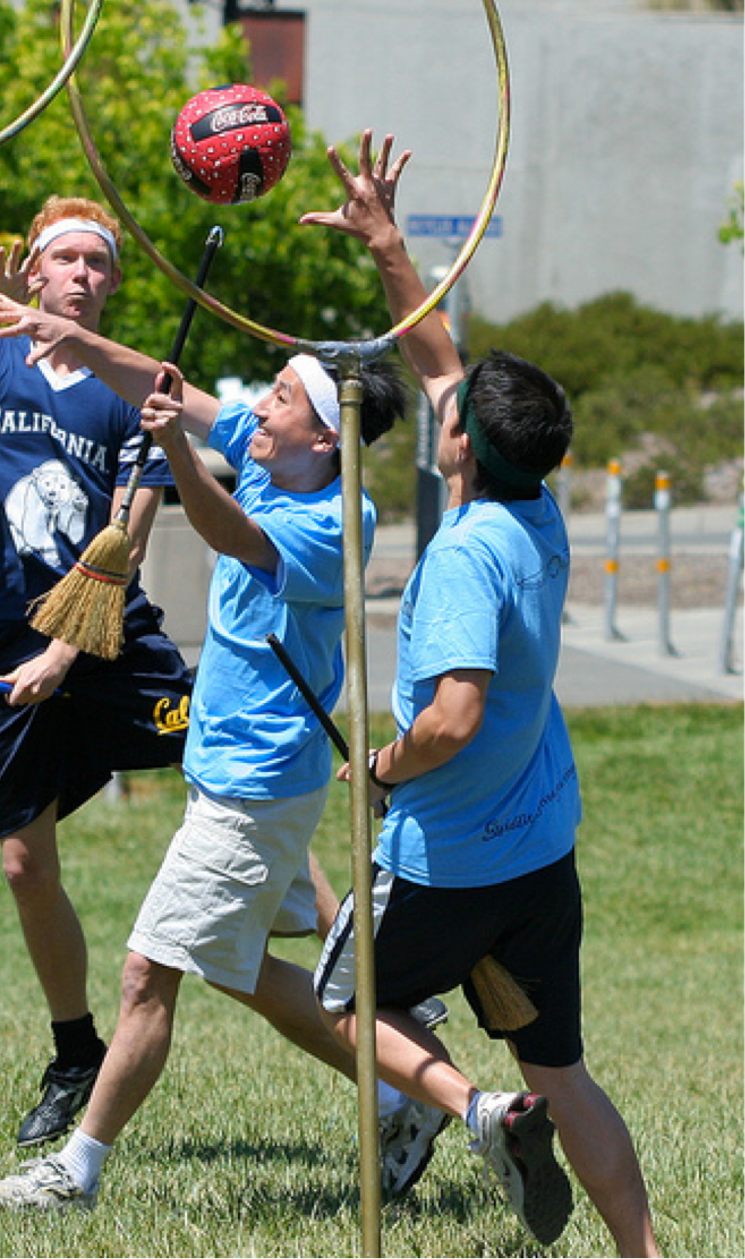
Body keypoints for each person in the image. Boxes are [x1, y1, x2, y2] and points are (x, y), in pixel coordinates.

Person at [0, 213, 457, 1214]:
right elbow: (173, 389)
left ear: (324, 433)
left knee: (149, 969)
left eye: (278, 394)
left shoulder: (333, 513)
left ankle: (78, 1169)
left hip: (251, 783)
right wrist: (72, 340)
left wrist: (172, 461)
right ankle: (424, 1074)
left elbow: (233, 535)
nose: (256, 403)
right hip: (234, 772)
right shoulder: (285, 449)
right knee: (247, 971)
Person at [301, 132, 662, 1256]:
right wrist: (387, 246)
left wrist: (382, 765)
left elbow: (451, 716)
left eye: (449, 406)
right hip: (539, 852)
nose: (437, 398)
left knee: (348, 1004)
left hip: (448, 859)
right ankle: (643, 1252)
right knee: (562, 1064)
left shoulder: (461, 556)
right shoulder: (533, 503)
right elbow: (437, 360)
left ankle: (479, 1112)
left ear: (457, 446)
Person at [0, 197, 197, 1149]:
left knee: (232, 762)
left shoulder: (134, 387)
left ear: (112, 282)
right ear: (35, 275)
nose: (79, 274)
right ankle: (75, 1050)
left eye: (95, 263)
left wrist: (67, 650)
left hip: (112, 636)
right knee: (24, 863)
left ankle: (346, 956)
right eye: (63, 260)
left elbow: (127, 545)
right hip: (10, 633)